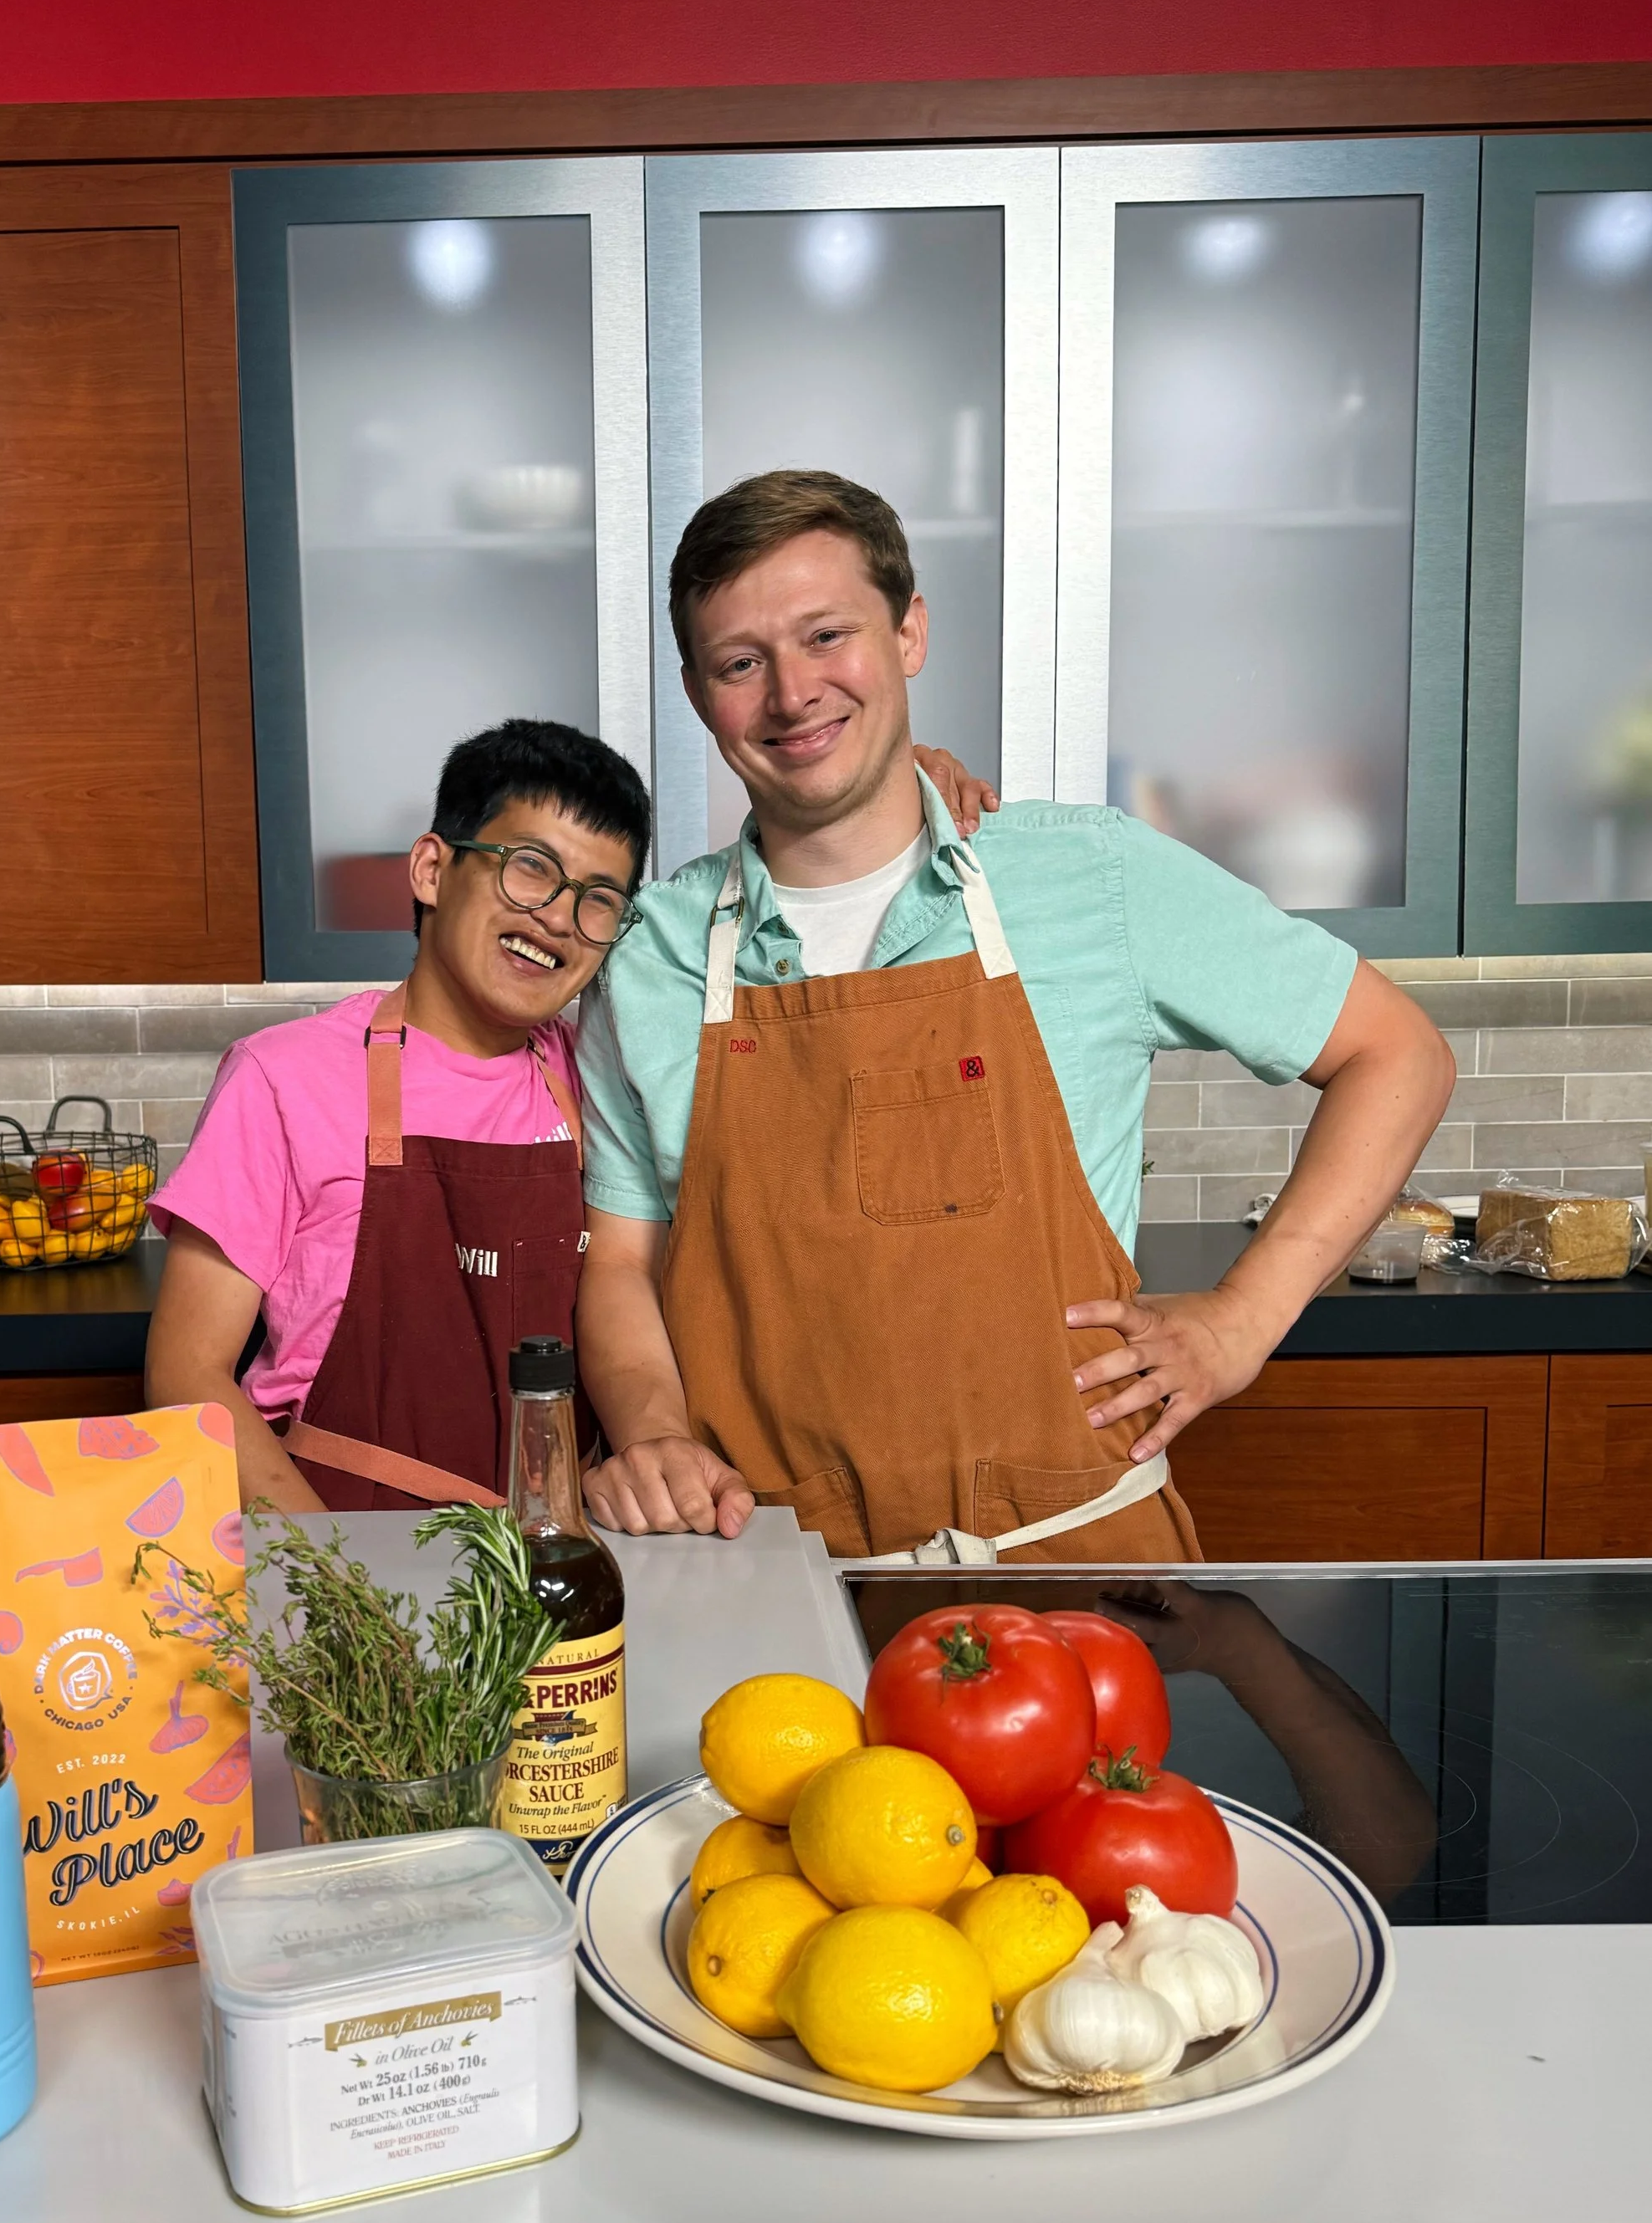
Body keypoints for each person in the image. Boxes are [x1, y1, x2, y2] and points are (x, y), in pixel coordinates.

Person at [575, 469, 1456, 1561]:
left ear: (910, 632)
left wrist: (1242, 1320)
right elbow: (621, 1261)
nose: (793, 694)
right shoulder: (652, 957)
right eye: (741, 663)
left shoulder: (1089, 879)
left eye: (826, 635)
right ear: (700, 693)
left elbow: (1397, 1052)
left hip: (1074, 1572)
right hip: (761, 1584)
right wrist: (654, 1433)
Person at [144, 713, 992, 1513]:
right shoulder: (285, 1078)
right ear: (433, 870)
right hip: (349, 1540)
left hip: (562, 1545)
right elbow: (187, 1371)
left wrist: (887, 794)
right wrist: (332, 1582)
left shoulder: (596, 1070)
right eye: (529, 869)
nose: (555, 917)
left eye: (597, 899)